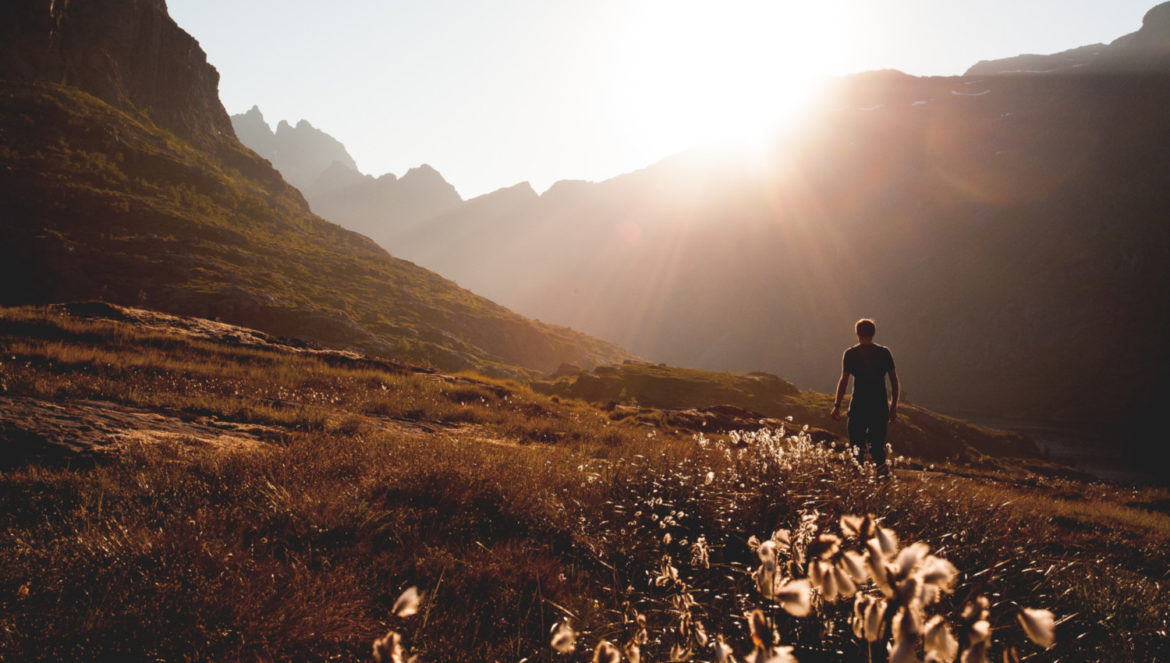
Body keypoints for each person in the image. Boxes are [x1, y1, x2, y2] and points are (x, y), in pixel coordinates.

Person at [830, 318, 899, 474]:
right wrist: (893, 407)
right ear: (873, 333)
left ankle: (856, 485)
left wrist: (837, 406)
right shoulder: (884, 353)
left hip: (858, 408)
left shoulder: (850, 354)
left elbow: (844, 381)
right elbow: (894, 382)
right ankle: (883, 487)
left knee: (856, 450)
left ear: (857, 334)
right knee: (878, 451)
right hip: (879, 408)